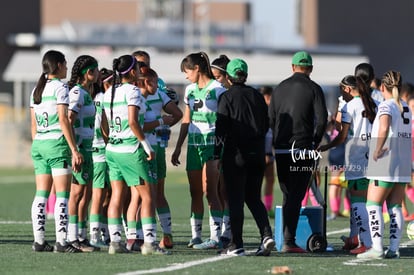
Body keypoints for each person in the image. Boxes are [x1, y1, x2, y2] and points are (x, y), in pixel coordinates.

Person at [268, 51, 328, 253]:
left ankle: (286, 238)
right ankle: (288, 240)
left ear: (293, 67)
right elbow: (321, 120)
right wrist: (315, 141)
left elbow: (271, 120)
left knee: (287, 194)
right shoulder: (314, 89)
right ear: (310, 68)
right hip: (302, 148)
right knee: (296, 194)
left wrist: (275, 144)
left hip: (282, 149)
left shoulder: (279, 89)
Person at [215, 58, 275, 256]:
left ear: (229, 78)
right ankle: (266, 235)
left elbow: (220, 128)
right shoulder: (257, 96)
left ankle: (236, 244)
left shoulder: (226, 97)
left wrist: (217, 153)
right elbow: (267, 124)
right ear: (245, 76)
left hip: (236, 155)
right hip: (256, 154)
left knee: (235, 200)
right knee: (253, 198)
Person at [30, 50, 83, 253]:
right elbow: (63, 120)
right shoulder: (61, 88)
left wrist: (39, 144)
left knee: (41, 195)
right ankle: (62, 242)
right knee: (63, 195)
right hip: (56, 144)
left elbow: (33, 124)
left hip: (40, 144)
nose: (67, 68)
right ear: (59, 65)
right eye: (65, 64)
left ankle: (39, 241)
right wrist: (74, 149)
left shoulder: (36, 89)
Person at [171, 52, 225, 250]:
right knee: (194, 192)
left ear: (197, 69)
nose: (185, 76)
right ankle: (196, 236)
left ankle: (216, 236)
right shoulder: (189, 90)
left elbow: (226, 119)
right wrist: (178, 147)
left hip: (212, 144)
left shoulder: (218, 89)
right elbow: (187, 119)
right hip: (193, 145)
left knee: (211, 191)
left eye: (187, 71)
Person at [319, 75, 377, 255]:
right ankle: (356, 238)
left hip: (356, 156)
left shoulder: (349, 106)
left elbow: (341, 134)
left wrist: (326, 146)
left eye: (342, 90)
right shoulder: (373, 103)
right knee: (369, 201)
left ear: (349, 89)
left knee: (357, 201)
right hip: (373, 156)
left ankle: (366, 243)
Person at [358, 70, 412, 259]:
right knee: (395, 207)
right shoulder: (405, 105)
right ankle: (393, 249)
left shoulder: (386, 105)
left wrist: (377, 149)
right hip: (403, 161)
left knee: (373, 205)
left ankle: (377, 248)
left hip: (386, 161)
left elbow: (384, 126)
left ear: (383, 87)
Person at [132, 51, 182, 249]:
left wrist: (162, 126)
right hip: (135, 147)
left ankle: (146, 236)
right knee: (137, 195)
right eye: (139, 65)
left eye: (145, 64)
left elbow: (176, 114)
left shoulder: (156, 89)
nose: (143, 68)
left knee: (147, 194)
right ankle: (134, 235)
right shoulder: (131, 91)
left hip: (149, 148)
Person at [66, 55, 100, 252]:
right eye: (95, 70)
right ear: (89, 72)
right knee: (77, 194)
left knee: (85, 195)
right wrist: (74, 150)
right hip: (80, 149)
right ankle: (72, 239)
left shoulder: (87, 92)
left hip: (89, 148)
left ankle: (82, 236)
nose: (97, 74)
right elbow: (69, 120)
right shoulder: (78, 93)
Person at [89, 68, 112, 248]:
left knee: (103, 196)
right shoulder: (104, 99)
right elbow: (106, 127)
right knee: (98, 196)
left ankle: (102, 233)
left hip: (90, 150)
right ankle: (95, 236)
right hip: (101, 152)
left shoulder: (92, 98)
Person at [210, 54, 232, 246]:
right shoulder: (218, 92)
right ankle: (220, 231)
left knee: (226, 189)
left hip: (231, 147)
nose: (215, 80)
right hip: (219, 145)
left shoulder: (228, 94)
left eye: (217, 76)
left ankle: (228, 230)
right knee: (217, 189)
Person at [259, 86, 276, 217]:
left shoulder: (273, 113)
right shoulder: (258, 112)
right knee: (257, 181)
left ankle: (267, 207)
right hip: (259, 154)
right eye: (267, 97)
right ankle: (258, 207)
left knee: (270, 180)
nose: (269, 100)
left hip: (269, 154)